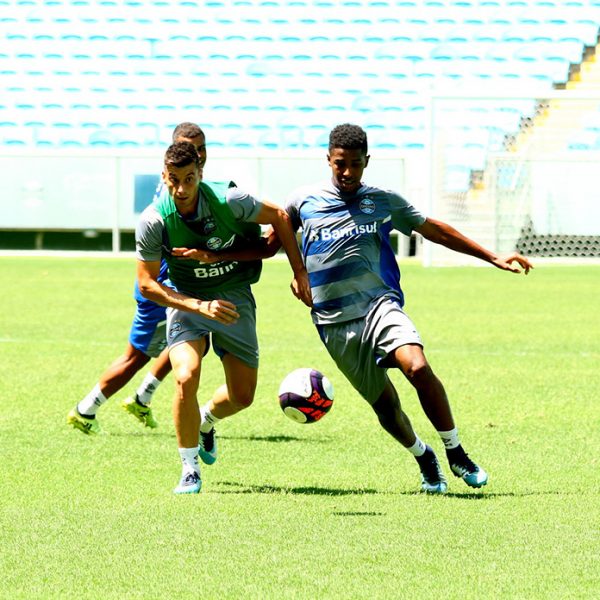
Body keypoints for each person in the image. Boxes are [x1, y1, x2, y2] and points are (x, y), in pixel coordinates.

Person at [280, 123, 532, 493]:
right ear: (328, 160)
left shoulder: (381, 200)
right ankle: (423, 456)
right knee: (387, 408)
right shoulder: (303, 201)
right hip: (334, 324)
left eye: (355, 163)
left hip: (379, 306)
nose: (347, 172)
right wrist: (296, 270)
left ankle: (455, 450)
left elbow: (433, 229)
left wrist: (492, 256)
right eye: (339, 164)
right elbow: (278, 228)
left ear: (367, 161)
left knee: (417, 365)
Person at [136, 141, 311, 494]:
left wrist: (299, 271)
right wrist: (198, 306)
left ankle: (205, 422)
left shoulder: (230, 200)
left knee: (242, 396)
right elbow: (148, 284)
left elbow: (279, 216)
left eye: (189, 179)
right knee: (185, 376)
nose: (181, 189)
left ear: (201, 173)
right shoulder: (154, 220)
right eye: (174, 180)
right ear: (164, 177)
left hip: (235, 298)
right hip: (188, 302)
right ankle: (189, 469)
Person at [67, 123, 208, 435]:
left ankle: (142, 398)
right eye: (189, 148)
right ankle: (85, 410)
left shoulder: (190, 186)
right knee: (137, 355)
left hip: (175, 286)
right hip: (159, 286)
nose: (196, 154)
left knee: (195, 341)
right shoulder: (174, 193)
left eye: (200, 148)